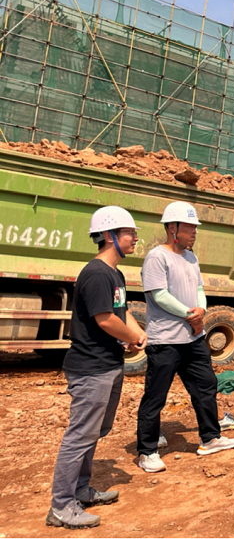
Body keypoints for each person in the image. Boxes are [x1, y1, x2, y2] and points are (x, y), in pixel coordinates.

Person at [47, 206, 147, 529]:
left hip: (108, 364)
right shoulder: (96, 274)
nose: (135, 238)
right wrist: (131, 336)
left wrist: (137, 334)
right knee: (80, 436)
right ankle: (61, 506)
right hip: (90, 369)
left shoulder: (115, 274)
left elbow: (121, 311)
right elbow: (105, 320)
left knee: (92, 433)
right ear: (109, 235)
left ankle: (80, 490)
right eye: (129, 232)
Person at [136, 202, 234, 474]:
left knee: (206, 386)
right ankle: (147, 451)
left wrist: (201, 310)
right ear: (172, 228)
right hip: (165, 341)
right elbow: (159, 295)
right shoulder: (157, 257)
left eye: (195, 227)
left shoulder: (191, 257)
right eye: (190, 227)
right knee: (156, 396)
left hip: (193, 339)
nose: (194, 232)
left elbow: (200, 288)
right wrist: (188, 314)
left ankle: (210, 438)